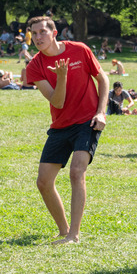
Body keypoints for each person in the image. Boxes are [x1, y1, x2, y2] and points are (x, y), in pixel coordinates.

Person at [25, 16, 108, 245]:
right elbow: (57, 102)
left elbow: (103, 79)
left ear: (54, 33)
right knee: (43, 182)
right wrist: (61, 77)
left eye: (43, 32)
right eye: (34, 33)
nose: (38, 37)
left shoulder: (79, 50)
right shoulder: (35, 66)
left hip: (86, 121)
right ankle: (64, 231)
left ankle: (74, 234)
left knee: (76, 171)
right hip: (61, 125)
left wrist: (101, 112)